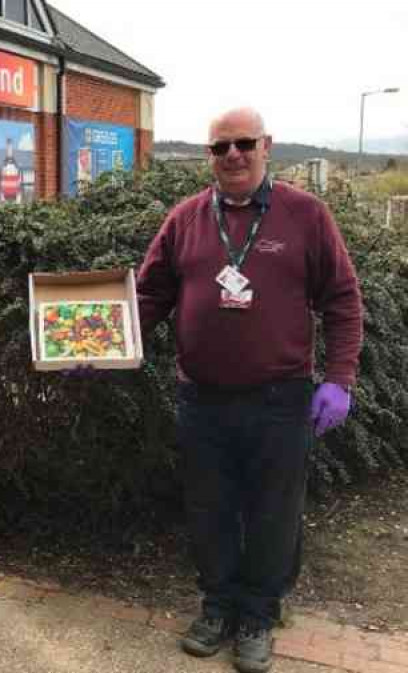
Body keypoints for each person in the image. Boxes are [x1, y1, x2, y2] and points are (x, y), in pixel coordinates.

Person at [136, 108, 363, 673]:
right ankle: (217, 606)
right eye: (220, 147)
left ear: (267, 145)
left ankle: (259, 614)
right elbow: (148, 298)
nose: (232, 155)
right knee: (209, 510)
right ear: (207, 156)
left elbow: (342, 300)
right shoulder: (186, 219)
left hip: (280, 401)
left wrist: (339, 379)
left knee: (272, 514)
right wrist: (99, 346)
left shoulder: (306, 215)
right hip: (201, 399)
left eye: (242, 144)